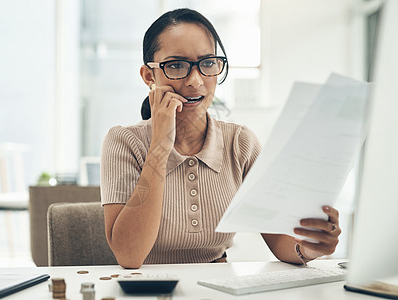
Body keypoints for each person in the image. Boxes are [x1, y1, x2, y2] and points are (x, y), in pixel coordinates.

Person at [101, 8, 341, 269]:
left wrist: (308, 247)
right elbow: (128, 255)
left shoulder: (240, 142)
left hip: (218, 284)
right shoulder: (123, 142)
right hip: (147, 287)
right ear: (150, 76)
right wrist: (160, 144)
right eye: (177, 66)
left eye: (207, 64)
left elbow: (280, 241)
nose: (195, 81)